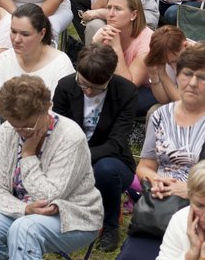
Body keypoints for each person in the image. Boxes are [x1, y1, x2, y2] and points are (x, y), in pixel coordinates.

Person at [118, 42, 205, 260]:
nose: (193, 83)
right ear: (177, 75)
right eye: (187, 74)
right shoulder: (160, 116)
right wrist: (157, 180)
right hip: (160, 209)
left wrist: (193, 191)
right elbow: (145, 165)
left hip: (204, 213)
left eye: (202, 77)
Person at [0, 75, 103, 260]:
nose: (21, 132)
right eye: (16, 126)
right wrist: (25, 209)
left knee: (25, 230)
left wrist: (28, 155)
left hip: (73, 216)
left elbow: (49, 196)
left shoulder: (70, 137)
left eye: (28, 126)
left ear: (46, 109)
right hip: (23, 212)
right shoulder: (7, 131)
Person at [51, 43, 138, 252]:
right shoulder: (65, 86)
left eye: (97, 87)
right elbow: (58, 130)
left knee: (105, 170)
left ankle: (110, 226)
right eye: (83, 84)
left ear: (110, 77)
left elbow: (117, 142)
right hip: (69, 154)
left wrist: (81, 158)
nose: (89, 92)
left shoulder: (126, 92)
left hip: (113, 160)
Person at [91, 0, 154, 114]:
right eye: (109, 8)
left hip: (149, 89)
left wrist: (115, 47)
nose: (110, 14)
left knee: (112, 102)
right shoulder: (108, 33)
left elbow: (128, 86)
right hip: (115, 83)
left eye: (118, 9)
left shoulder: (147, 42)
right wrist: (95, 44)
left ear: (134, 15)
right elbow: (88, 73)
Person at [0, 3, 74, 97]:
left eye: (25, 34)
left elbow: (59, 109)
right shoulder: (4, 59)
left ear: (42, 33)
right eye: (13, 32)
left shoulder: (60, 64)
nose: (16, 39)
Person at [144, 25, 205, 108]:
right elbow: (164, 100)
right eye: (167, 62)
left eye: (174, 61)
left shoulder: (204, 59)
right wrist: (155, 75)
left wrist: (163, 75)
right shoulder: (171, 55)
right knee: (154, 111)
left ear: (185, 45)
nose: (172, 65)